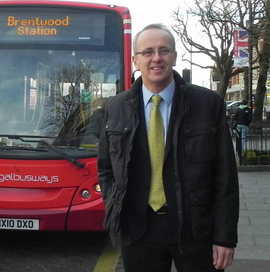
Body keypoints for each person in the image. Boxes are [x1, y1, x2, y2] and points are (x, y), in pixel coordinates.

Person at [97, 23, 239, 272]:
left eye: (164, 50)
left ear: (174, 57)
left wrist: (224, 237)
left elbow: (225, 176)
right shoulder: (115, 107)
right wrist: (116, 207)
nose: (156, 58)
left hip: (196, 230)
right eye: (148, 52)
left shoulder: (207, 104)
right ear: (135, 60)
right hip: (138, 232)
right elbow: (106, 169)